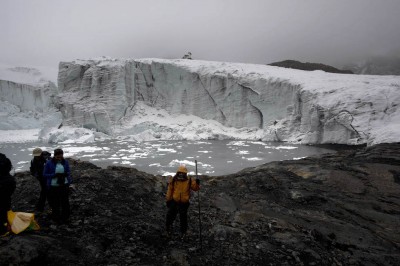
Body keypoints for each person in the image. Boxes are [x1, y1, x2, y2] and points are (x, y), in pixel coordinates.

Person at [165, 164, 200, 239]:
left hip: (184, 202)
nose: (181, 174)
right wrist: (168, 200)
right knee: (170, 215)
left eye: (182, 173)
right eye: (179, 173)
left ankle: (183, 232)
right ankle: (168, 229)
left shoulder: (189, 180)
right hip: (174, 201)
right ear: (177, 173)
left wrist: (197, 183)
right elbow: (170, 190)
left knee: (183, 218)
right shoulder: (174, 180)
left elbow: (195, 188)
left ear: (185, 174)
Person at [43, 148, 72, 224]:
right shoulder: (49, 163)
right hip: (53, 186)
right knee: (55, 203)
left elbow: (68, 171)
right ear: (54, 156)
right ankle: (56, 218)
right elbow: (45, 174)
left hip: (64, 185)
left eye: (61, 156)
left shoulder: (65, 162)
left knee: (65, 202)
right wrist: (54, 175)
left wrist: (66, 175)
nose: (59, 158)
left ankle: (65, 217)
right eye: (57, 157)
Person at [0, 153, 16, 236]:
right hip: (8, 184)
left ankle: (2, 230)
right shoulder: (5, 159)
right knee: (5, 208)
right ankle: (5, 226)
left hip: (3, 184)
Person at [30, 148, 49, 212]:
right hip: (41, 178)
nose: (37, 157)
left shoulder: (47, 159)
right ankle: (41, 207)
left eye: (38, 155)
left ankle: (41, 207)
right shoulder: (33, 161)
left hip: (49, 178)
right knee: (44, 191)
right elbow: (32, 170)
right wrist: (36, 175)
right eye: (36, 155)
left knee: (46, 192)